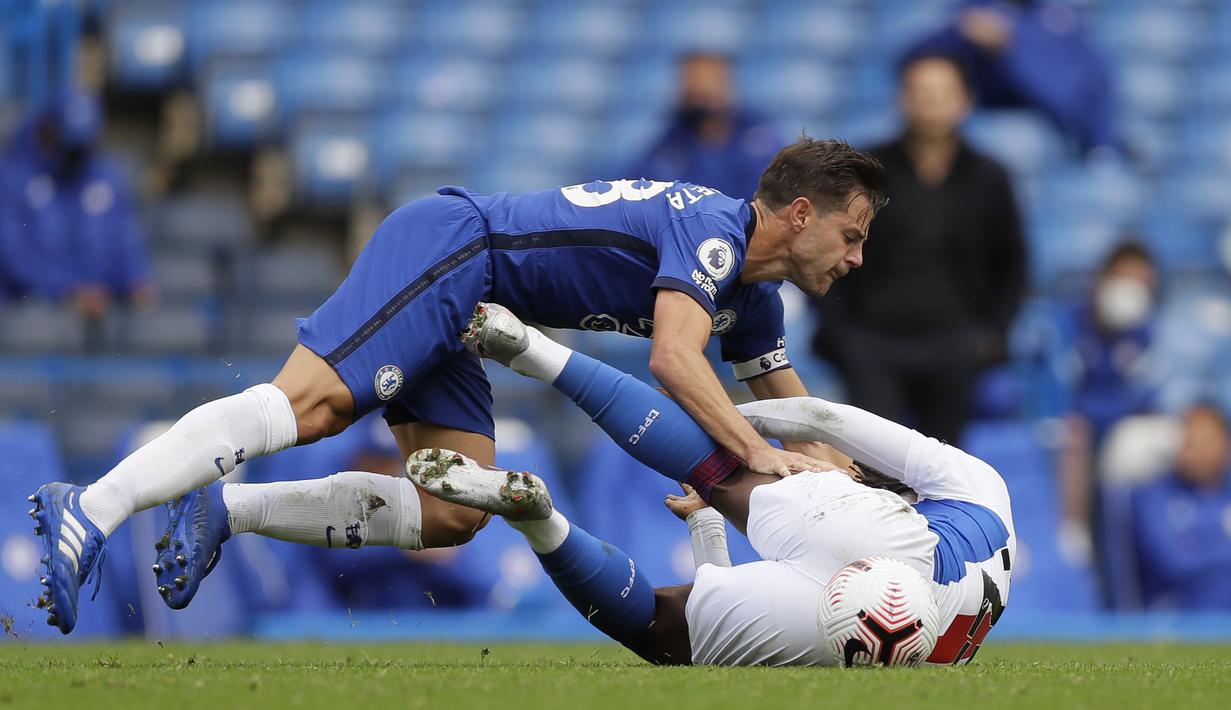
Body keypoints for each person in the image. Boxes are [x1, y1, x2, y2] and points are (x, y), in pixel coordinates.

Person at [30, 138, 886, 633]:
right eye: (849, 236)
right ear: (798, 214)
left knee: (454, 511)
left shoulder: (752, 299)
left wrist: (847, 477)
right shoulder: (713, 233)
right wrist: (756, 454)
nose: (854, 259)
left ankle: (228, 509)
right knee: (311, 405)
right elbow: (674, 358)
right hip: (454, 248)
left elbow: (793, 413)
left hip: (477, 300)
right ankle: (94, 506)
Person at [407, 302, 1015, 666]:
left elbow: (817, 417)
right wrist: (705, 526)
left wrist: (719, 424)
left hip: (877, 537)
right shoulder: (985, 501)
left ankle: (535, 351)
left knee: (721, 469)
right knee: (657, 628)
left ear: (868, 481)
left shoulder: (981, 487)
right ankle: (539, 520)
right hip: (897, 628)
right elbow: (714, 590)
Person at [814, 53, 1026, 446]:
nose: (930, 101)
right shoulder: (867, 171)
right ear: (902, 98)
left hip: (956, 343)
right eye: (920, 91)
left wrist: (991, 337)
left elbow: (1012, 264)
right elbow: (825, 248)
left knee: (944, 461)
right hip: (873, 340)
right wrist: (843, 337)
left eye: (941, 92)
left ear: (965, 100)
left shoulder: (990, 177)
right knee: (874, 456)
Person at [1054, 242, 1161, 589]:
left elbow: (1149, 396)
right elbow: (1058, 390)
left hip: (1121, 430)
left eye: (1141, 283)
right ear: (1103, 280)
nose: (1131, 291)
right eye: (1124, 279)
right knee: (1076, 433)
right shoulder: (1069, 323)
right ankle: (1072, 528)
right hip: (1077, 428)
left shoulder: (1146, 332)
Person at [0, 90, 155, 315]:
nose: (75, 155)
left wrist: (134, 278)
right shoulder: (12, 177)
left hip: (99, 307)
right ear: (47, 129)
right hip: (29, 312)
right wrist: (68, 289)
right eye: (69, 145)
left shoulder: (104, 176)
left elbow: (124, 239)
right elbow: (13, 255)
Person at [906, 0, 1117, 157]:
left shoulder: (1059, 18)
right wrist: (960, 33)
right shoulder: (972, 11)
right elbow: (915, 58)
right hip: (979, 120)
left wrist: (1008, 52)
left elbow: (1085, 85)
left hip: (1050, 126)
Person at [627, 52, 782, 200]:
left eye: (708, 85)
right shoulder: (667, 148)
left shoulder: (760, 140)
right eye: (692, 86)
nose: (700, 92)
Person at [1129, 404, 1231, 611]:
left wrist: (1200, 542)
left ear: (1225, 444)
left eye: (1207, 441)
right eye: (1191, 441)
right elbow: (1173, 562)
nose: (1199, 452)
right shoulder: (1151, 496)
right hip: (1179, 620)